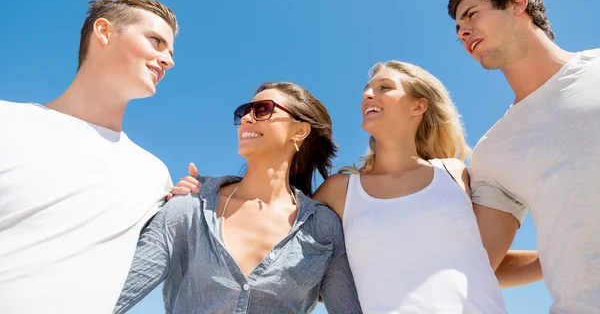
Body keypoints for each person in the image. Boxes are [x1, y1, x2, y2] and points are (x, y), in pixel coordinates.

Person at [175, 63, 541, 313]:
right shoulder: (340, 192)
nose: (368, 94)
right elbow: (278, 234)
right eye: (366, 89)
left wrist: (557, 260)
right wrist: (208, 193)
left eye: (384, 88)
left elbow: (481, 263)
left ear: (419, 105)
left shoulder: (455, 173)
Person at [114, 82, 362, 314]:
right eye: (244, 111)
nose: (245, 118)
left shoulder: (323, 229)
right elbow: (111, 297)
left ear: (299, 131)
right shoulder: (189, 207)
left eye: (262, 110)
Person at [0, 0, 179, 314]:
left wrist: (183, 202)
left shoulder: (154, 177)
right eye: (155, 41)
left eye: (170, 51)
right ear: (104, 32)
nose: (168, 60)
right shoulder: (7, 122)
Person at [449, 0, 600, 313]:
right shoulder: (492, 150)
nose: (462, 31)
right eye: (458, 30)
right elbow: (477, 263)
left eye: (471, 14)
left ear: (518, 2)